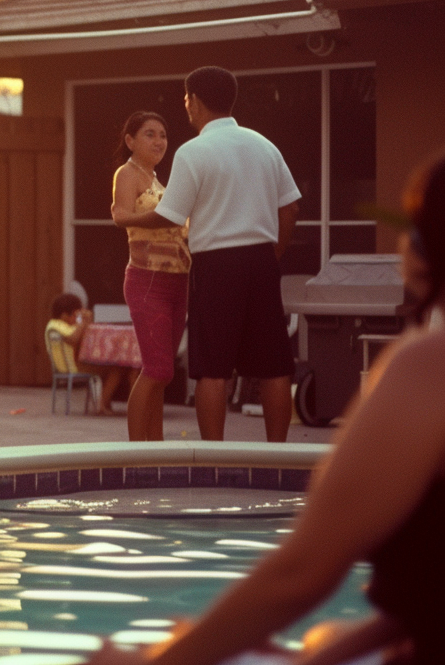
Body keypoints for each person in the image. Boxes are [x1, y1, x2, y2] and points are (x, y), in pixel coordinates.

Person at [87, 156, 445, 665]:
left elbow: (298, 576)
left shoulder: (427, 366)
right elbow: (420, 613)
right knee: (317, 639)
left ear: (425, 251)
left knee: (113, 656)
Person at [114, 66, 300, 442]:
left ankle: (214, 455)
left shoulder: (193, 151)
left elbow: (169, 213)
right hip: (263, 260)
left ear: (194, 101)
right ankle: (277, 454)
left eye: (186, 100)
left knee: (213, 369)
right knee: (274, 367)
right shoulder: (264, 145)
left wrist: (126, 218)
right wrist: (272, 256)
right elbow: (291, 208)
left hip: (216, 264)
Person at [109, 111, 190, 441]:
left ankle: (155, 450)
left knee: (164, 374)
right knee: (157, 370)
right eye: (149, 134)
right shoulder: (127, 173)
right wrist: (163, 218)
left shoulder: (158, 180)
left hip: (178, 281)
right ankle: (135, 452)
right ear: (130, 141)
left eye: (163, 135)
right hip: (148, 279)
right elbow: (121, 216)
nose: (159, 141)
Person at [45, 293, 135, 416]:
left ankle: (105, 403)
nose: (76, 320)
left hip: (74, 364)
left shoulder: (58, 324)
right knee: (116, 369)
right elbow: (73, 338)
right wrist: (83, 323)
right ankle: (102, 404)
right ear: (64, 315)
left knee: (111, 366)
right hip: (73, 366)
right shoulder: (57, 325)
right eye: (75, 316)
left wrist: (85, 322)